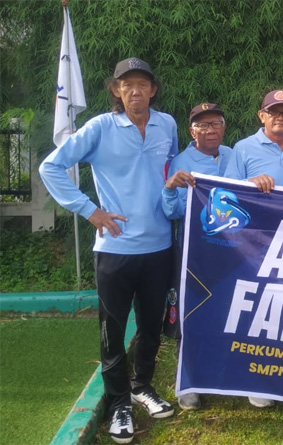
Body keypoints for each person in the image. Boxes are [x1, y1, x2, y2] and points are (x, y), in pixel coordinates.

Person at [39, 57, 177, 444]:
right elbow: (51, 167)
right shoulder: (100, 127)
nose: (135, 91)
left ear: (153, 89)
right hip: (115, 249)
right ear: (116, 90)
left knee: (150, 328)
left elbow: (172, 173)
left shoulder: (167, 125)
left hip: (160, 246)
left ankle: (142, 386)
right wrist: (89, 210)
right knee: (112, 332)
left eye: (142, 84)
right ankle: (119, 403)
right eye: (126, 84)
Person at [161, 102, 232, 411]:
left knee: (231, 310)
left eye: (215, 123)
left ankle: (231, 375)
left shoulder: (234, 155)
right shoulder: (181, 161)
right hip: (195, 250)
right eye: (202, 125)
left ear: (224, 127)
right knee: (192, 311)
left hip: (232, 249)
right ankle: (188, 380)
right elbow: (172, 210)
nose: (210, 130)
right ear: (191, 131)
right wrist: (170, 188)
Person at [224, 89, 283, 191]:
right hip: (255, 207)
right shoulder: (243, 148)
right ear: (261, 116)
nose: (280, 118)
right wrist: (251, 182)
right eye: (273, 112)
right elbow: (228, 187)